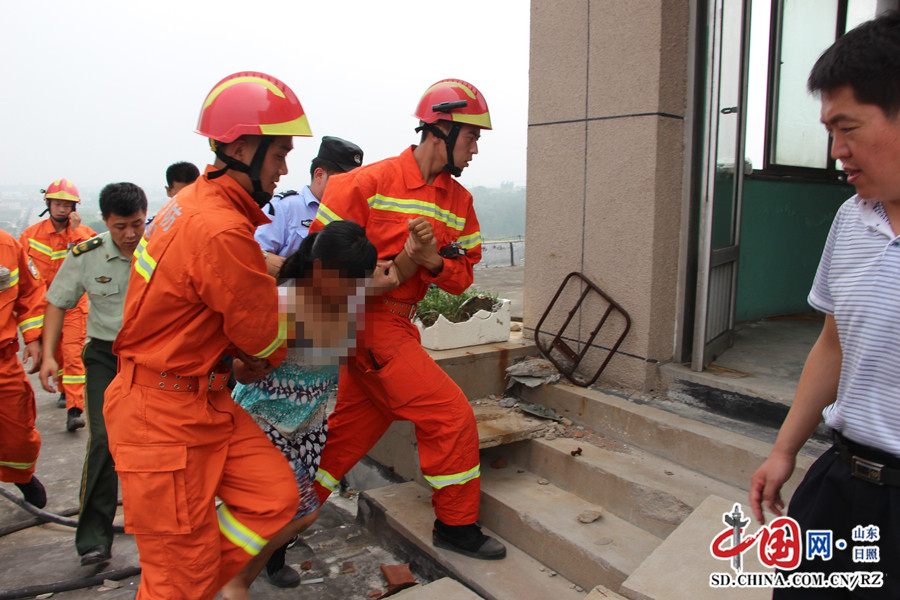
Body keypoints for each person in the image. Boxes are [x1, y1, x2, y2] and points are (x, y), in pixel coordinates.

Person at [102, 71, 312, 600]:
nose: (285, 168)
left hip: (202, 397)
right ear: (241, 147)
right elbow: (264, 344)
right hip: (162, 415)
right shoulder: (219, 227)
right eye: (279, 153)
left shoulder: (192, 201)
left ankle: (191, 579)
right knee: (179, 576)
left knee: (271, 497)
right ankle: (183, 581)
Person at [309, 78, 506, 560]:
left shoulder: (460, 204)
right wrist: (391, 267)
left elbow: (461, 279)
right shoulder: (363, 183)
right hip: (369, 325)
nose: (476, 149)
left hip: (394, 326)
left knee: (343, 440)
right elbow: (318, 260)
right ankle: (455, 526)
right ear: (440, 130)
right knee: (451, 414)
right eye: (472, 137)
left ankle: (278, 526)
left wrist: (433, 260)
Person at [749, 12, 900, 598]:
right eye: (828, 130)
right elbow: (834, 344)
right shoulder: (851, 219)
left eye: (848, 128)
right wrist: (784, 450)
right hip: (839, 483)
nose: (836, 151)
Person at [222, 220, 395, 597]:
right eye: (348, 281)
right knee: (296, 512)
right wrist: (255, 363)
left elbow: (386, 279)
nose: (353, 290)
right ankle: (228, 575)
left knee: (296, 514)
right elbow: (239, 372)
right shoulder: (282, 304)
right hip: (265, 423)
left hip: (308, 427)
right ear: (320, 271)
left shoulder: (343, 295)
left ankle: (237, 579)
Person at [39, 182, 147, 567]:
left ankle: (155, 527)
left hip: (154, 358)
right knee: (104, 439)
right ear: (105, 221)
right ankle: (94, 538)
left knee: (159, 443)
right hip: (105, 356)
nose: (130, 234)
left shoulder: (162, 249)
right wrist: (49, 356)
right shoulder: (87, 255)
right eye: (120, 227)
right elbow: (57, 302)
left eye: (137, 224)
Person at [19, 178, 95, 431]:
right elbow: (24, 280)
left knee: (73, 355)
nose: (62, 209)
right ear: (48, 204)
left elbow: (88, 258)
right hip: (44, 305)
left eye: (67, 204)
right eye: (58, 203)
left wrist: (74, 232)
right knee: (60, 354)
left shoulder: (82, 234)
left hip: (73, 304)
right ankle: (65, 390)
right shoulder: (30, 236)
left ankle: (75, 408)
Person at [255, 136, 364, 276]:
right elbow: (256, 257)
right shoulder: (284, 208)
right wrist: (306, 274)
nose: (349, 187)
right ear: (319, 175)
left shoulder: (352, 215)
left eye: (353, 181)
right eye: (343, 180)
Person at [0, 230, 46, 509]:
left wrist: (33, 338)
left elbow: (30, 292)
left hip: (3, 360)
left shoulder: (6, 246)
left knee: (19, 436)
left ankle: (21, 475)